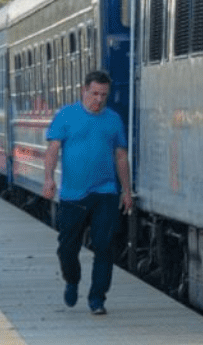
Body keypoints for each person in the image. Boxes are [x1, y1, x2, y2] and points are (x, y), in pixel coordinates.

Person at [43, 70, 133, 316]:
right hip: (73, 195)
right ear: (84, 90)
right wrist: (49, 178)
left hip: (105, 192)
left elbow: (121, 156)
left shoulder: (113, 120)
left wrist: (126, 191)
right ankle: (72, 280)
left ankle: (97, 298)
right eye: (94, 94)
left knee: (104, 247)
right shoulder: (66, 116)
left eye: (104, 95)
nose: (99, 99)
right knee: (67, 248)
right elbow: (53, 149)